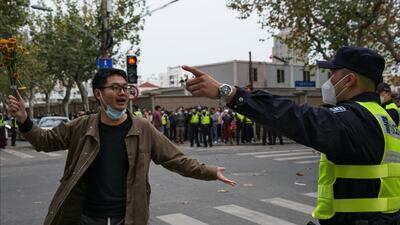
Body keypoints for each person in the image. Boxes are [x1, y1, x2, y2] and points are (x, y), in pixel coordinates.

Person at [183, 46, 400, 225]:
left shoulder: (354, 120)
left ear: (349, 79)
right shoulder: (384, 118)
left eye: (332, 74)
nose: (329, 81)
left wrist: (230, 93)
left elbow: (295, 116)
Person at [7, 68, 235, 225]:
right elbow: (43, 141)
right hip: (85, 217)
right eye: (115, 88)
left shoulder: (143, 128)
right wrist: (23, 119)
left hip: (127, 217)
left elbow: (176, 160)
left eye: (125, 87)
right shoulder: (81, 127)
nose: (123, 92)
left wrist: (210, 171)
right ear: (98, 94)